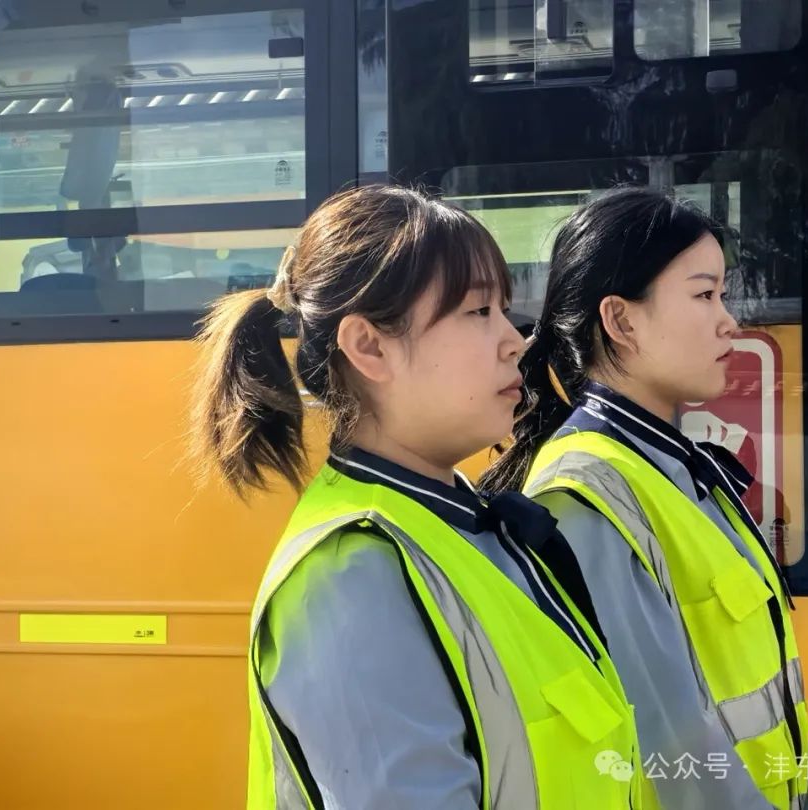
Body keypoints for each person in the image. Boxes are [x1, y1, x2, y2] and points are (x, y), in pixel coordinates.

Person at [190, 185, 644, 809]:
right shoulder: (348, 577)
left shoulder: (468, 524)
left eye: (502, 309)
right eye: (478, 311)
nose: (515, 340)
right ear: (369, 347)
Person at [482, 187, 808, 810]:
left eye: (722, 294)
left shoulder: (677, 466)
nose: (729, 321)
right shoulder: (583, 496)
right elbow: (677, 761)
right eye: (704, 295)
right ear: (621, 321)